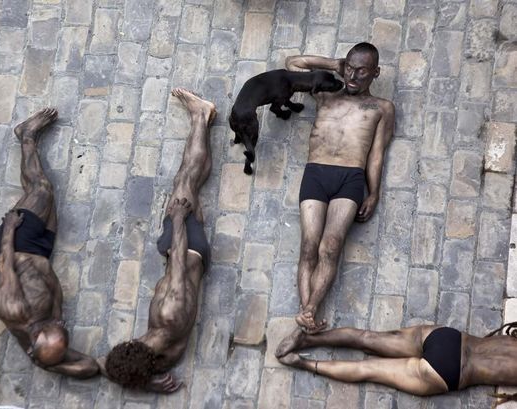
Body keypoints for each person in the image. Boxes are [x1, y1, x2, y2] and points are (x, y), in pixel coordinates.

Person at [98, 89, 216, 393]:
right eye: (130, 344)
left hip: (188, 258)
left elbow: (104, 367)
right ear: (135, 348)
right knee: (186, 179)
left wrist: (149, 385)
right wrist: (178, 219)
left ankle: (203, 120)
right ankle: (200, 115)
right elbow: (177, 266)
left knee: (191, 181)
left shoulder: (162, 359)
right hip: (186, 248)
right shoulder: (168, 317)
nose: (131, 339)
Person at [282, 42, 395, 336]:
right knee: (308, 246)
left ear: (376, 73)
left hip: (351, 177)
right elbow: (293, 64)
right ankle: (308, 312)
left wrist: (374, 192)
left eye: (362, 71)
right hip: (316, 173)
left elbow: (377, 153)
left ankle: (308, 311)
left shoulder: (382, 107)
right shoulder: (325, 93)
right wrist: (335, 65)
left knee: (330, 247)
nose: (354, 77)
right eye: (350, 68)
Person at [0, 108, 98, 378]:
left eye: (56, 324)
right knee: (44, 192)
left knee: (41, 190)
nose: (59, 321)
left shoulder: (13, 309)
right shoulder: (48, 346)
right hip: (41, 252)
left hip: (18, 245)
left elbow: (5, 263)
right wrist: (54, 360)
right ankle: (26, 138)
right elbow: (90, 366)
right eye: (60, 324)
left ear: (38, 334)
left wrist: (10, 228)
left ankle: (25, 135)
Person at [274, 321, 517, 403]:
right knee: (366, 369)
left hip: (449, 339)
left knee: (366, 337)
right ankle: (303, 363)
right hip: (451, 372)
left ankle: (305, 338)